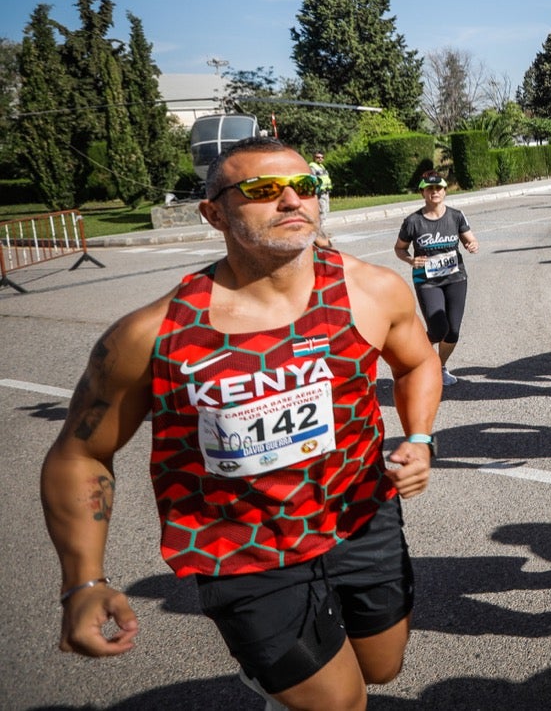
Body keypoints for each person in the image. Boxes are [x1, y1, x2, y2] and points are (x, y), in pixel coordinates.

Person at [41, 136, 441, 710]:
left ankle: (283, 672)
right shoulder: (153, 335)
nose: (291, 201)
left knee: (383, 666)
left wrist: (420, 439)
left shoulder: (372, 290)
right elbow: (78, 454)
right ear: (214, 212)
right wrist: (82, 581)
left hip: (360, 515)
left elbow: (419, 361)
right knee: (339, 703)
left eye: (305, 187)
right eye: (261, 190)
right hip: (245, 548)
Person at [394, 171, 480, 387]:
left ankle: (437, 367)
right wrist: (410, 261)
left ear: (444, 191)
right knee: (437, 329)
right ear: (423, 192)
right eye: (430, 189)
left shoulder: (456, 216)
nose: (434, 192)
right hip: (427, 281)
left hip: (456, 278)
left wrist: (472, 245)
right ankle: (414, 354)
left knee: (453, 331)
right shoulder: (413, 221)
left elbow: (469, 238)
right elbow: (400, 248)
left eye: (438, 188)